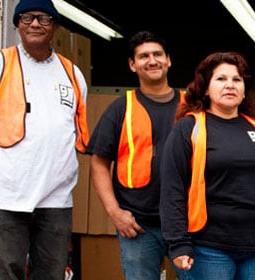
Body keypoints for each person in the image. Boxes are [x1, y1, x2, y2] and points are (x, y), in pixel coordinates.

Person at [0, 0, 89, 278]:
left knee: (51, 273)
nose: (35, 24)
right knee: (6, 273)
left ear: (55, 26)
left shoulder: (72, 73)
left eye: (43, 18)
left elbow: (72, 130)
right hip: (5, 198)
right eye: (27, 18)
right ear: (17, 24)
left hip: (56, 199)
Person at [160, 51, 255, 280]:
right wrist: (178, 243)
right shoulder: (189, 128)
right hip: (208, 249)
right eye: (221, 79)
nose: (230, 85)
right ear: (206, 88)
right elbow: (173, 189)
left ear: (244, 89)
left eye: (237, 80)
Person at [85, 30, 187, 280]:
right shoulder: (121, 108)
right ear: (132, 64)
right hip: (139, 227)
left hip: (188, 226)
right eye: (143, 56)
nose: (151, 60)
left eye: (157, 54)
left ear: (168, 60)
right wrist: (114, 212)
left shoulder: (191, 107)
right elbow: (98, 164)